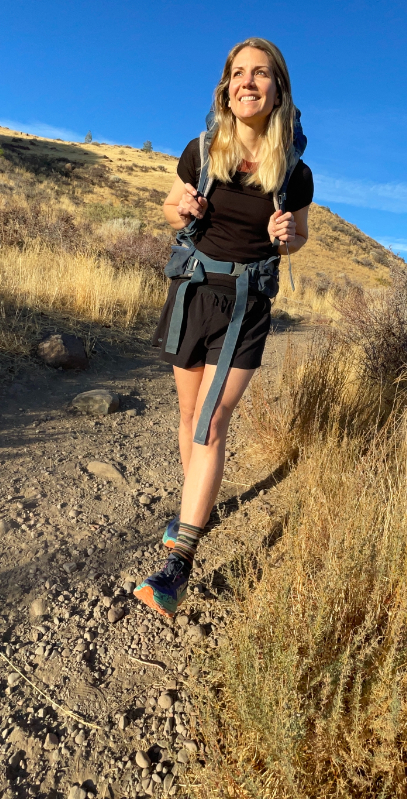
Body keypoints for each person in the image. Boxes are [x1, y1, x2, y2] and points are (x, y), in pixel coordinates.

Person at [133, 37, 313, 618]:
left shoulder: (294, 172)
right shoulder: (203, 150)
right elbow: (169, 206)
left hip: (244, 304)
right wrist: (180, 208)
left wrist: (289, 238)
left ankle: (178, 563)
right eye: (239, 74)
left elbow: (299, 236)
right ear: (226, 86)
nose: (248, 83)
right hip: (193, 293)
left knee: (211, 421)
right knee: (188, 417)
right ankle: (195, 509)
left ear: (278, 89)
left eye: (261, 74)